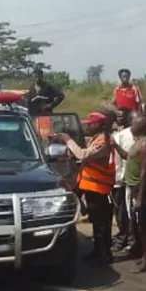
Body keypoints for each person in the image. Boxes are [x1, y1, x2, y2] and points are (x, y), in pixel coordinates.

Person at [56, 112, 115, 263]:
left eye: (90, 124)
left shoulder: (103, 141)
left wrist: (68, 140)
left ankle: (104, 254)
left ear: (98, 124)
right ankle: (98, 251)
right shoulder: (96, 139)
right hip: (92, 188)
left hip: (100, 189)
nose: (86, 126)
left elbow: (83, 155)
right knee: (96, 222)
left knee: (102, 225)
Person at [118, 116, 146, 273]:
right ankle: (145, 256)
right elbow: (128, 157)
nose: (131, 126)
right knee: (139, 224)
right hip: (134, 187)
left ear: (140, 127)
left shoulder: (145, 144)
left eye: (134, 124)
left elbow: (145, 171)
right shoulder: (138, 142)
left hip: (141, 189)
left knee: (144, 224)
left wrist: (141, 195)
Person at [111, 111, 138, 252]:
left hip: (136, 181)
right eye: (135, 120)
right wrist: (117, 179)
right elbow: (117, 160)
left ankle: (132, 240)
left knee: (132, 212)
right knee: (121, 212)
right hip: (121, 179)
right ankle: (123, 237)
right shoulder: (121, 136)